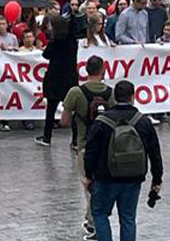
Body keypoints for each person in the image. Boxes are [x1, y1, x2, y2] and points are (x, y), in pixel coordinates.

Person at [84, 80, 163, 241]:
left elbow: (90, 152)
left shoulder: (101, 122)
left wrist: (87, 175)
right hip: (133, 178)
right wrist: (157, 179)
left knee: (99, 214)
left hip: (105, 178)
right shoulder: (143, 122)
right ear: (133, 97)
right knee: (128, 218)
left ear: (114, 96)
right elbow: (155, 153)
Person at [61, 55, 111, 240]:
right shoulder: (110, 92)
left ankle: (94, 223)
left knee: (89, 185)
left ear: (86, 70)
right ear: (103, 70)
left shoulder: (75, 92)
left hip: (84, 145)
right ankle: (94, 220)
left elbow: (64, 121)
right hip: (106, 147)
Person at [36, 13, 76, 147]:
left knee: (51, 110)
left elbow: (46, 54)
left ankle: (47, 137)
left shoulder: (55, 43)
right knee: (74, 110)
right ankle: (75, 139)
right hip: (70, 78)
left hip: (55, 79)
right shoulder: (71, 41)